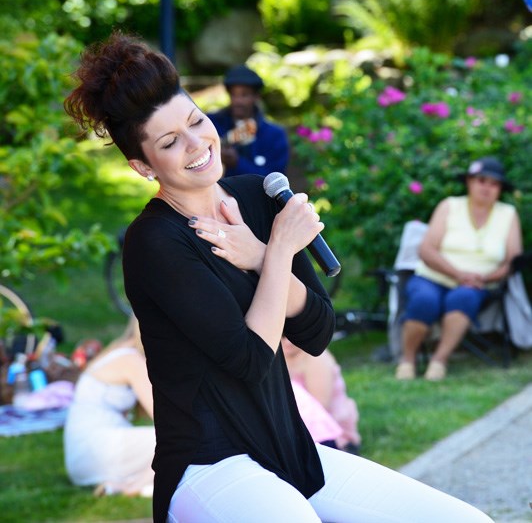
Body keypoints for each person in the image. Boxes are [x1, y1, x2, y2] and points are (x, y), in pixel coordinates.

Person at [64, 32, 494, 523]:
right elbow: (248, 359)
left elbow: (317, 332)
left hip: (289, 451)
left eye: (196, 121)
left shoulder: (257, 196)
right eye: (168, 142)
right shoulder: (154, 242)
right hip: (209, 465)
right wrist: (279, 253)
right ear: (142, 165)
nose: (196, 144)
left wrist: (261, 254)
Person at [395, 157, 522, 381]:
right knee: (424, 300)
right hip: (434, 277)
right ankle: (407, 361)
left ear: (500, 189)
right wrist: (459, 274)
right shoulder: (449, 206)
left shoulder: (508, 214)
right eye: (481, 180)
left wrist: (486, 278)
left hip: (480, 283)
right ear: (470, 182)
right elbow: (426, 250)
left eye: (494, 183)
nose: (487, 187)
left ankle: (439, 360)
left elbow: (513, 261)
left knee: (463, 298)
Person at [63, 315, 155, 497]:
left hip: (85, 454)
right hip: (99, 449)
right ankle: (135, 486)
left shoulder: (119, 352)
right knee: (184, 438)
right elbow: (166, 420)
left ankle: (131, 485)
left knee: (180, 439)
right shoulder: (131, 361)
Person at [281, 336, 361, 454]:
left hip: (329, 426)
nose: (287, 342)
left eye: (291, 336)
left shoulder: (315, 356)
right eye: (282, 337)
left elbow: (320, 406)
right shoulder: (279, 356)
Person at [207, 64, 290, 177]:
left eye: (244, 95)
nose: (238, 101)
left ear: (257, 96)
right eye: (233, 95)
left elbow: (275, 179)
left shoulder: (275, 135)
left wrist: (238, 163)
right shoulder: (211, 123)